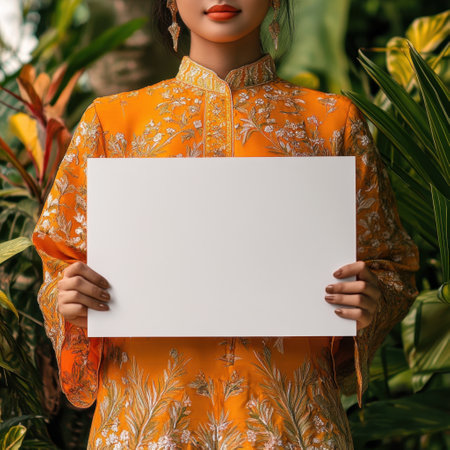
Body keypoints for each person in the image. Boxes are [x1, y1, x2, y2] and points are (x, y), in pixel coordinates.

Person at [32, 0, 419, 448]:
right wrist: (68, 298)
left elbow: (393, 267)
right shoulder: (112, 125)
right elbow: (59, 262)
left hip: (289, 425)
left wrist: (370, 299)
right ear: (171, 2)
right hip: (150, 425)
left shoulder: (332, 125)